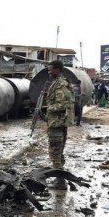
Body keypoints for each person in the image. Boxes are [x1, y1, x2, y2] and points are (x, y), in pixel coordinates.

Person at [43, 60, 74, 190]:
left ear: (57, 70)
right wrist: (47, 96)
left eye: (51, 70)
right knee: (59, 151)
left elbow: (63, 104)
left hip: (56, 123)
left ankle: (60, 181)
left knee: (55, 151)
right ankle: (60, 176)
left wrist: (48, 108)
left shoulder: (60, 84)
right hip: (59, 122)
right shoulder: (58, 83)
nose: (49, 72)